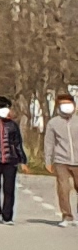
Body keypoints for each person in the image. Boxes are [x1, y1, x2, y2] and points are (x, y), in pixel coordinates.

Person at [46, 89, 78, 224]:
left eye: (68, 104)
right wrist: (48, 160)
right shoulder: (53, 123)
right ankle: (67, 216)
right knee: (63, 188)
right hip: (61, 161)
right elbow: (49, 142)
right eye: (63, 104)